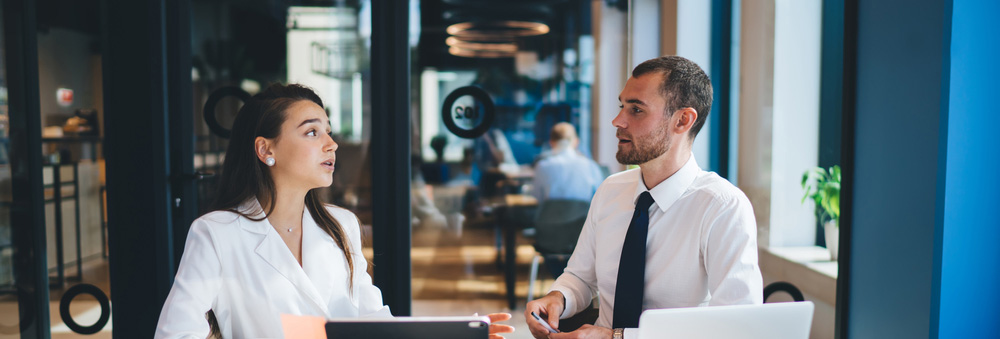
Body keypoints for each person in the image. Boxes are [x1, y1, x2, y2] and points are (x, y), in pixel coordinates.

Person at [155, 84, 513, 338]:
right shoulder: (216, 233)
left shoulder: (341, 225)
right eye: (312, 132)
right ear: (266, 150)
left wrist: (454, 335)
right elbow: (176, 333)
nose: (332, 143)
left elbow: (372, 320)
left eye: (328, 130)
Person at [524, 56, 762, 339]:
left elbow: (739, 328)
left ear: (683, 120)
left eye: (636, 110)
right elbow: (580, 277)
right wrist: (558, 298)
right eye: (622, 106)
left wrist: (618, 337)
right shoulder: (611, 190)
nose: (617, 121)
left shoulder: (722, 207)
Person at [530, 122, 604, 202]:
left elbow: (536, 197)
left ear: (551, 142)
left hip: (550, 214)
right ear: (576, 142)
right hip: (583, 214)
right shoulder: (591, 166)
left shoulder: (542, 166)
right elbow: (599, 196)